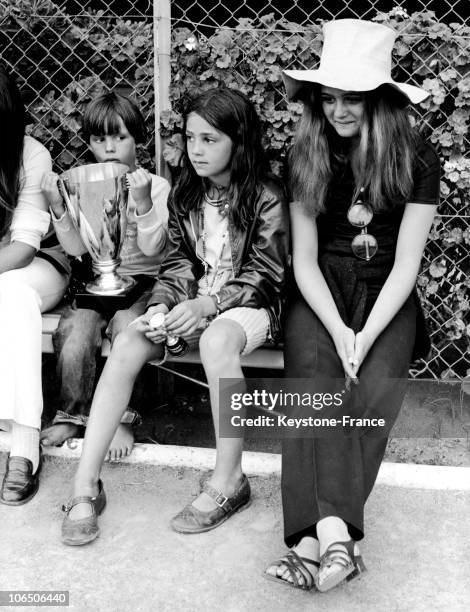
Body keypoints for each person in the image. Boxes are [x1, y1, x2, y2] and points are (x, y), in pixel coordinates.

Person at [60, 87, 289, 546]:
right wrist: (164, 305)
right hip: (189, 303)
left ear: (238, 141)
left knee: (216, 340)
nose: (197, 150)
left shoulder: (266, 196)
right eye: (190, 138)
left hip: (250, 308)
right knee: (128, 341)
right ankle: (85, 483)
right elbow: (179, 264)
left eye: (210, 139)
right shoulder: (187, 192)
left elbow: (268, 272)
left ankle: (228, 482)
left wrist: (209, 306)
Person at [264, 19, 440, 593]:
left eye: (353, 98)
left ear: (380, 100)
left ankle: (317, 537)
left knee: (373, 388)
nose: (338, 110)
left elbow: (408, 262)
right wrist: (339, 328)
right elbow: (304, 260)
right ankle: (332, 538)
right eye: (330, 96)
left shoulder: (417, 154)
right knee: (313, 383)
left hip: (387, 291)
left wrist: (364, 336)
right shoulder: (305, 151)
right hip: (321, 291)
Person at [40, 92, 170, 459]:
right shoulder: (83, 185)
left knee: (131, 328)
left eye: (120, 137)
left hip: (144, 284)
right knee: (75, 329)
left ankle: (123, 417)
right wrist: (58, 208)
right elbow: (78, 250)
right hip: (98, 281)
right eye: (99, 139)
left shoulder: (155, 186)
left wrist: (143, 202)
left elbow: (155, 250)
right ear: (89, 143)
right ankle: (73, 413)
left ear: (138, 138)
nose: (110, 148)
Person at [0, 64, 70, 505]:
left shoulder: (30, 154)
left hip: (39, 264)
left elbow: (23, 248)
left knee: (10, 294)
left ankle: (24, 448)